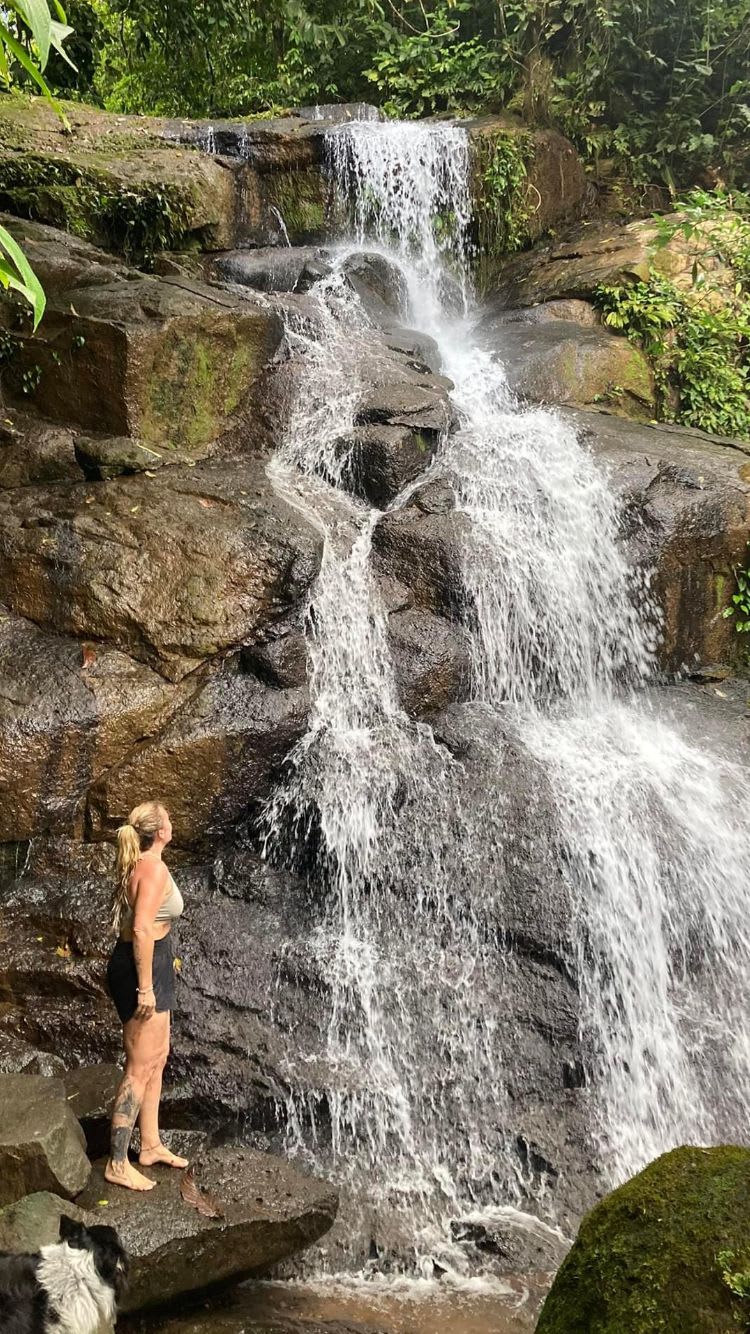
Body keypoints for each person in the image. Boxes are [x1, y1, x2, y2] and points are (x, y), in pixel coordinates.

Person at [105, 801, 188, 1191]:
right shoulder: (151, 868)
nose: (173, 821)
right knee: (139, 1067)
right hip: (143, 968)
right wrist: (146, 987)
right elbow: (140, 930)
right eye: (168, 817)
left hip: (156, 961)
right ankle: (117, 1163)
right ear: (160, 832)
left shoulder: (143, 861)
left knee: (157, 1057)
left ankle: (150, 1144)